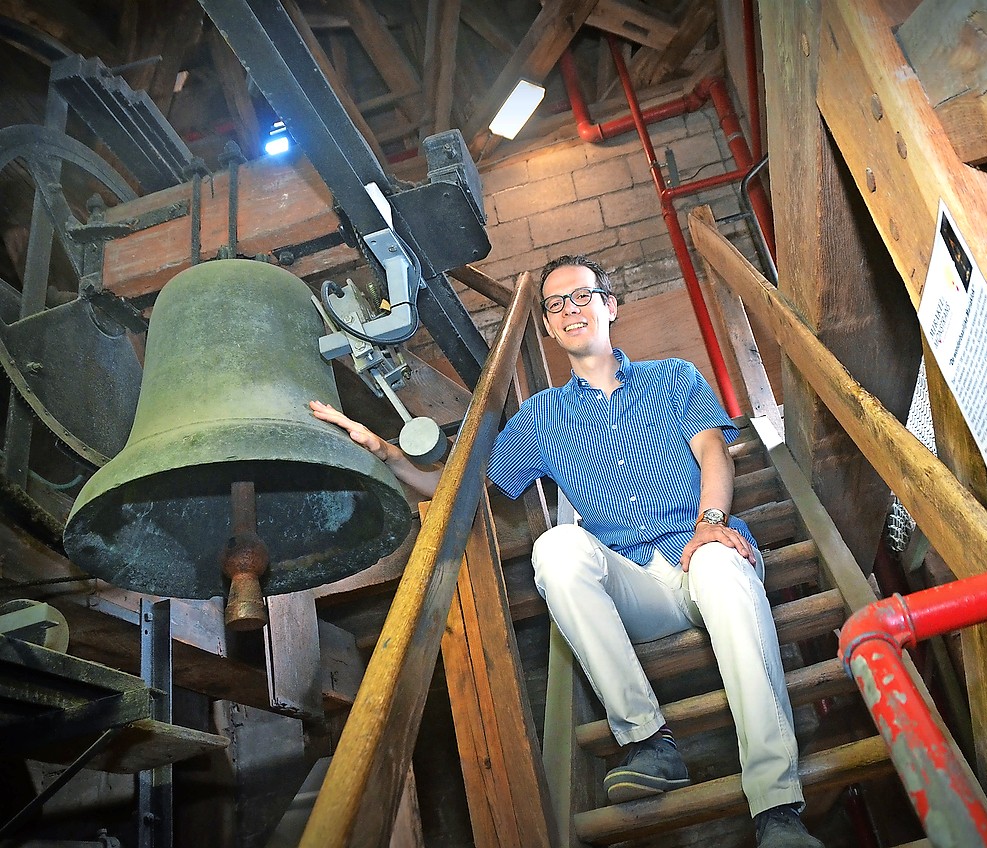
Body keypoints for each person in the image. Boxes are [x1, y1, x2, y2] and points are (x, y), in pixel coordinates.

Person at [311, 254, 824, 848]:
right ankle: (648, 743)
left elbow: (713, 451)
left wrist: (712, 521)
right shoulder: (540, 416)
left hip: (702, 550)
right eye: (555, 306)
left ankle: (778, 813)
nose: (568, 311)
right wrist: (388, 455)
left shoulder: (674, 377)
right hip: (637, 583)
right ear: (550, 330)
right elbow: (465, 492)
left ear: (610, 306)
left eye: (581, 297)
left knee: (716, 564)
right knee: (555, 546)